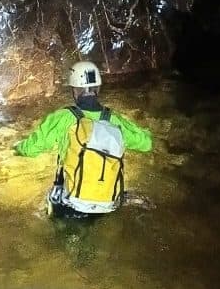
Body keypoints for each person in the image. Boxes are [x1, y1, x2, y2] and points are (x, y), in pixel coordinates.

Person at [13, 60, 152, 218]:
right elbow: (147, 143)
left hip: (73, 205)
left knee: (47, 199)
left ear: (74, 90)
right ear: (98, 88)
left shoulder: (64, 117)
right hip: (107, 205)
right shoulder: (114, 119)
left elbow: (31, 148)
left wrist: (17, 148)